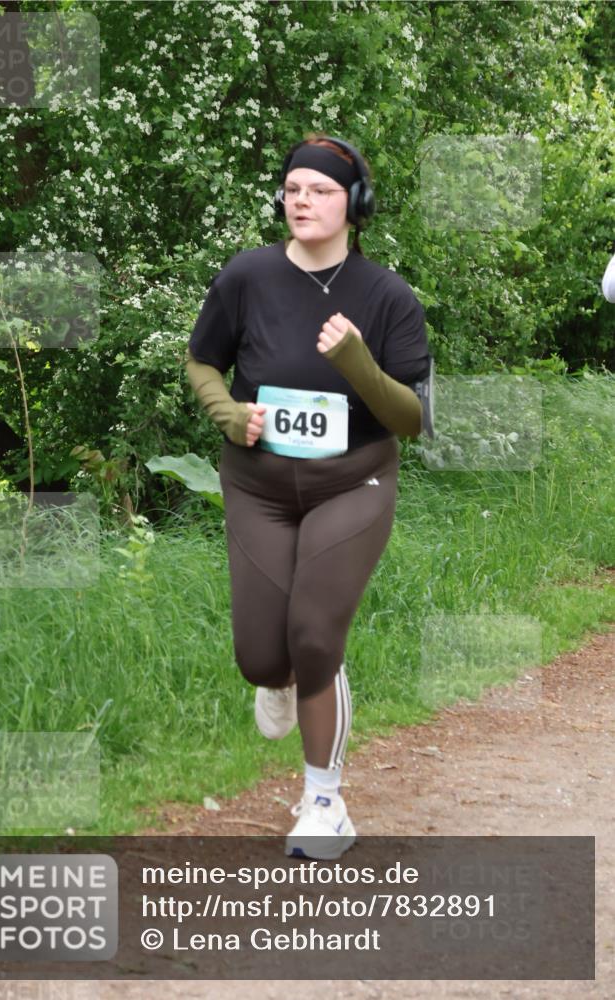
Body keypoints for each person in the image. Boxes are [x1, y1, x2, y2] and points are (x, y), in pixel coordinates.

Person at [185, 134, 432, 860]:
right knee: (262, 659)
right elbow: (202, 360)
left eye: (319, 190)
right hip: (257, 486)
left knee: (316, 636)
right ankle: (283, 672)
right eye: (292, 188)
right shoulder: (247, 276)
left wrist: (355, 359)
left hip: (351, 480)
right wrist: (229, 413)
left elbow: (412, 420)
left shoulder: (386, 296)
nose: (301, 200)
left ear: (353, 206)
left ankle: (324, 801)